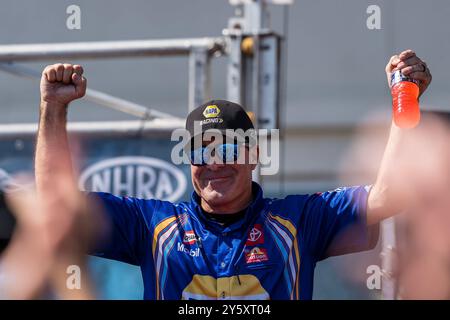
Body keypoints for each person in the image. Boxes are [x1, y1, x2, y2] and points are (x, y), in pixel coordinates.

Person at [35, 49, 432, 300]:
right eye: (200, 151)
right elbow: (56, 202)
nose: (215, 162)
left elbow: (389, 196)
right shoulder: (152, 225)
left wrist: (404, 100)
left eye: (227, 148)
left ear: (254, 154)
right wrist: (54, 107)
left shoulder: (300, 220)